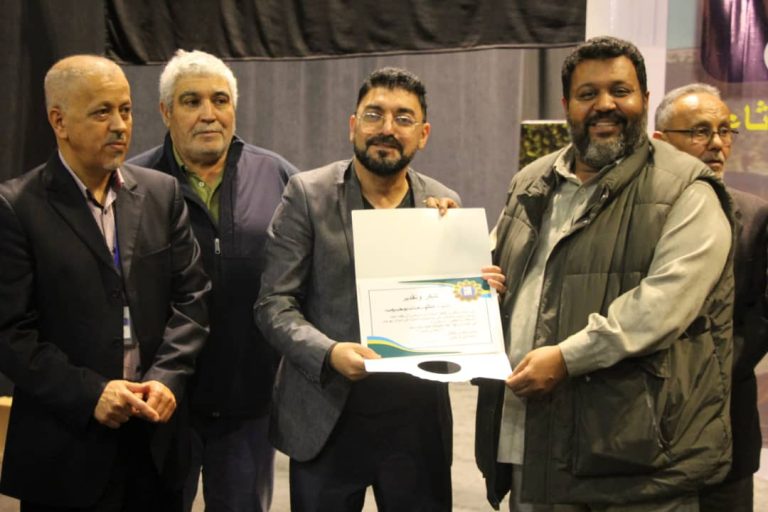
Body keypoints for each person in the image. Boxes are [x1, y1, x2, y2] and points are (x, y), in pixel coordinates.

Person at [475, 36, 735, 511]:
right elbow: (494, 269)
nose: (604, 105)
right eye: (587, 93)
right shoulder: (531, 182)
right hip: (531, 443)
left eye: (620, 91)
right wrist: (468, 273)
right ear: (566, 106)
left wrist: (566, 358)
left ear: (645, 100)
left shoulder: (688, 190)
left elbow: (662, 307)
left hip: (633, 459)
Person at [255, 67, 502, 511]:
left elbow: (455, 311)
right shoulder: (307, 195)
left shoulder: (443, 206)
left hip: (416, 424)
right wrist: (329, 352)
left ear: (423, 134)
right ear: (353, 125)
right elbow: (274, 304)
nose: (387, 128)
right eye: (374, 115)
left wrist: (478, 295)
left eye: (404, 118)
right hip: (326, 417)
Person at [0, 55, 210, 510]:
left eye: (126, 110)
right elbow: (11, 333)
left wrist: (167, 378)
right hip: (67, 448)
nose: (120, 125)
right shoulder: (16, 208)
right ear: (59, 121)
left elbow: (191, 300)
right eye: (102, 112)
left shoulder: (161, 194)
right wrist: (91, 393)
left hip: (156, 443)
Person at [130, 49, 298, 512]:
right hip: (162, 400)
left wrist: (427, 219)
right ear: (166, 111)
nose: (209, 114)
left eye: (220, 100)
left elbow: (335, 242)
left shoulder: (279, 177)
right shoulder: (135, 183)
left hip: (249, 403)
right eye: (191, 101)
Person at [654, 83, 768, 512]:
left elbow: (761, 316)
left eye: (725, 130)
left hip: (728, 425)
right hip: (645, 428)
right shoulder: (638, 217)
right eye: (700, 132)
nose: (717, 144)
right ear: (660, 141)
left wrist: (708, 369)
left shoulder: (754, 215)